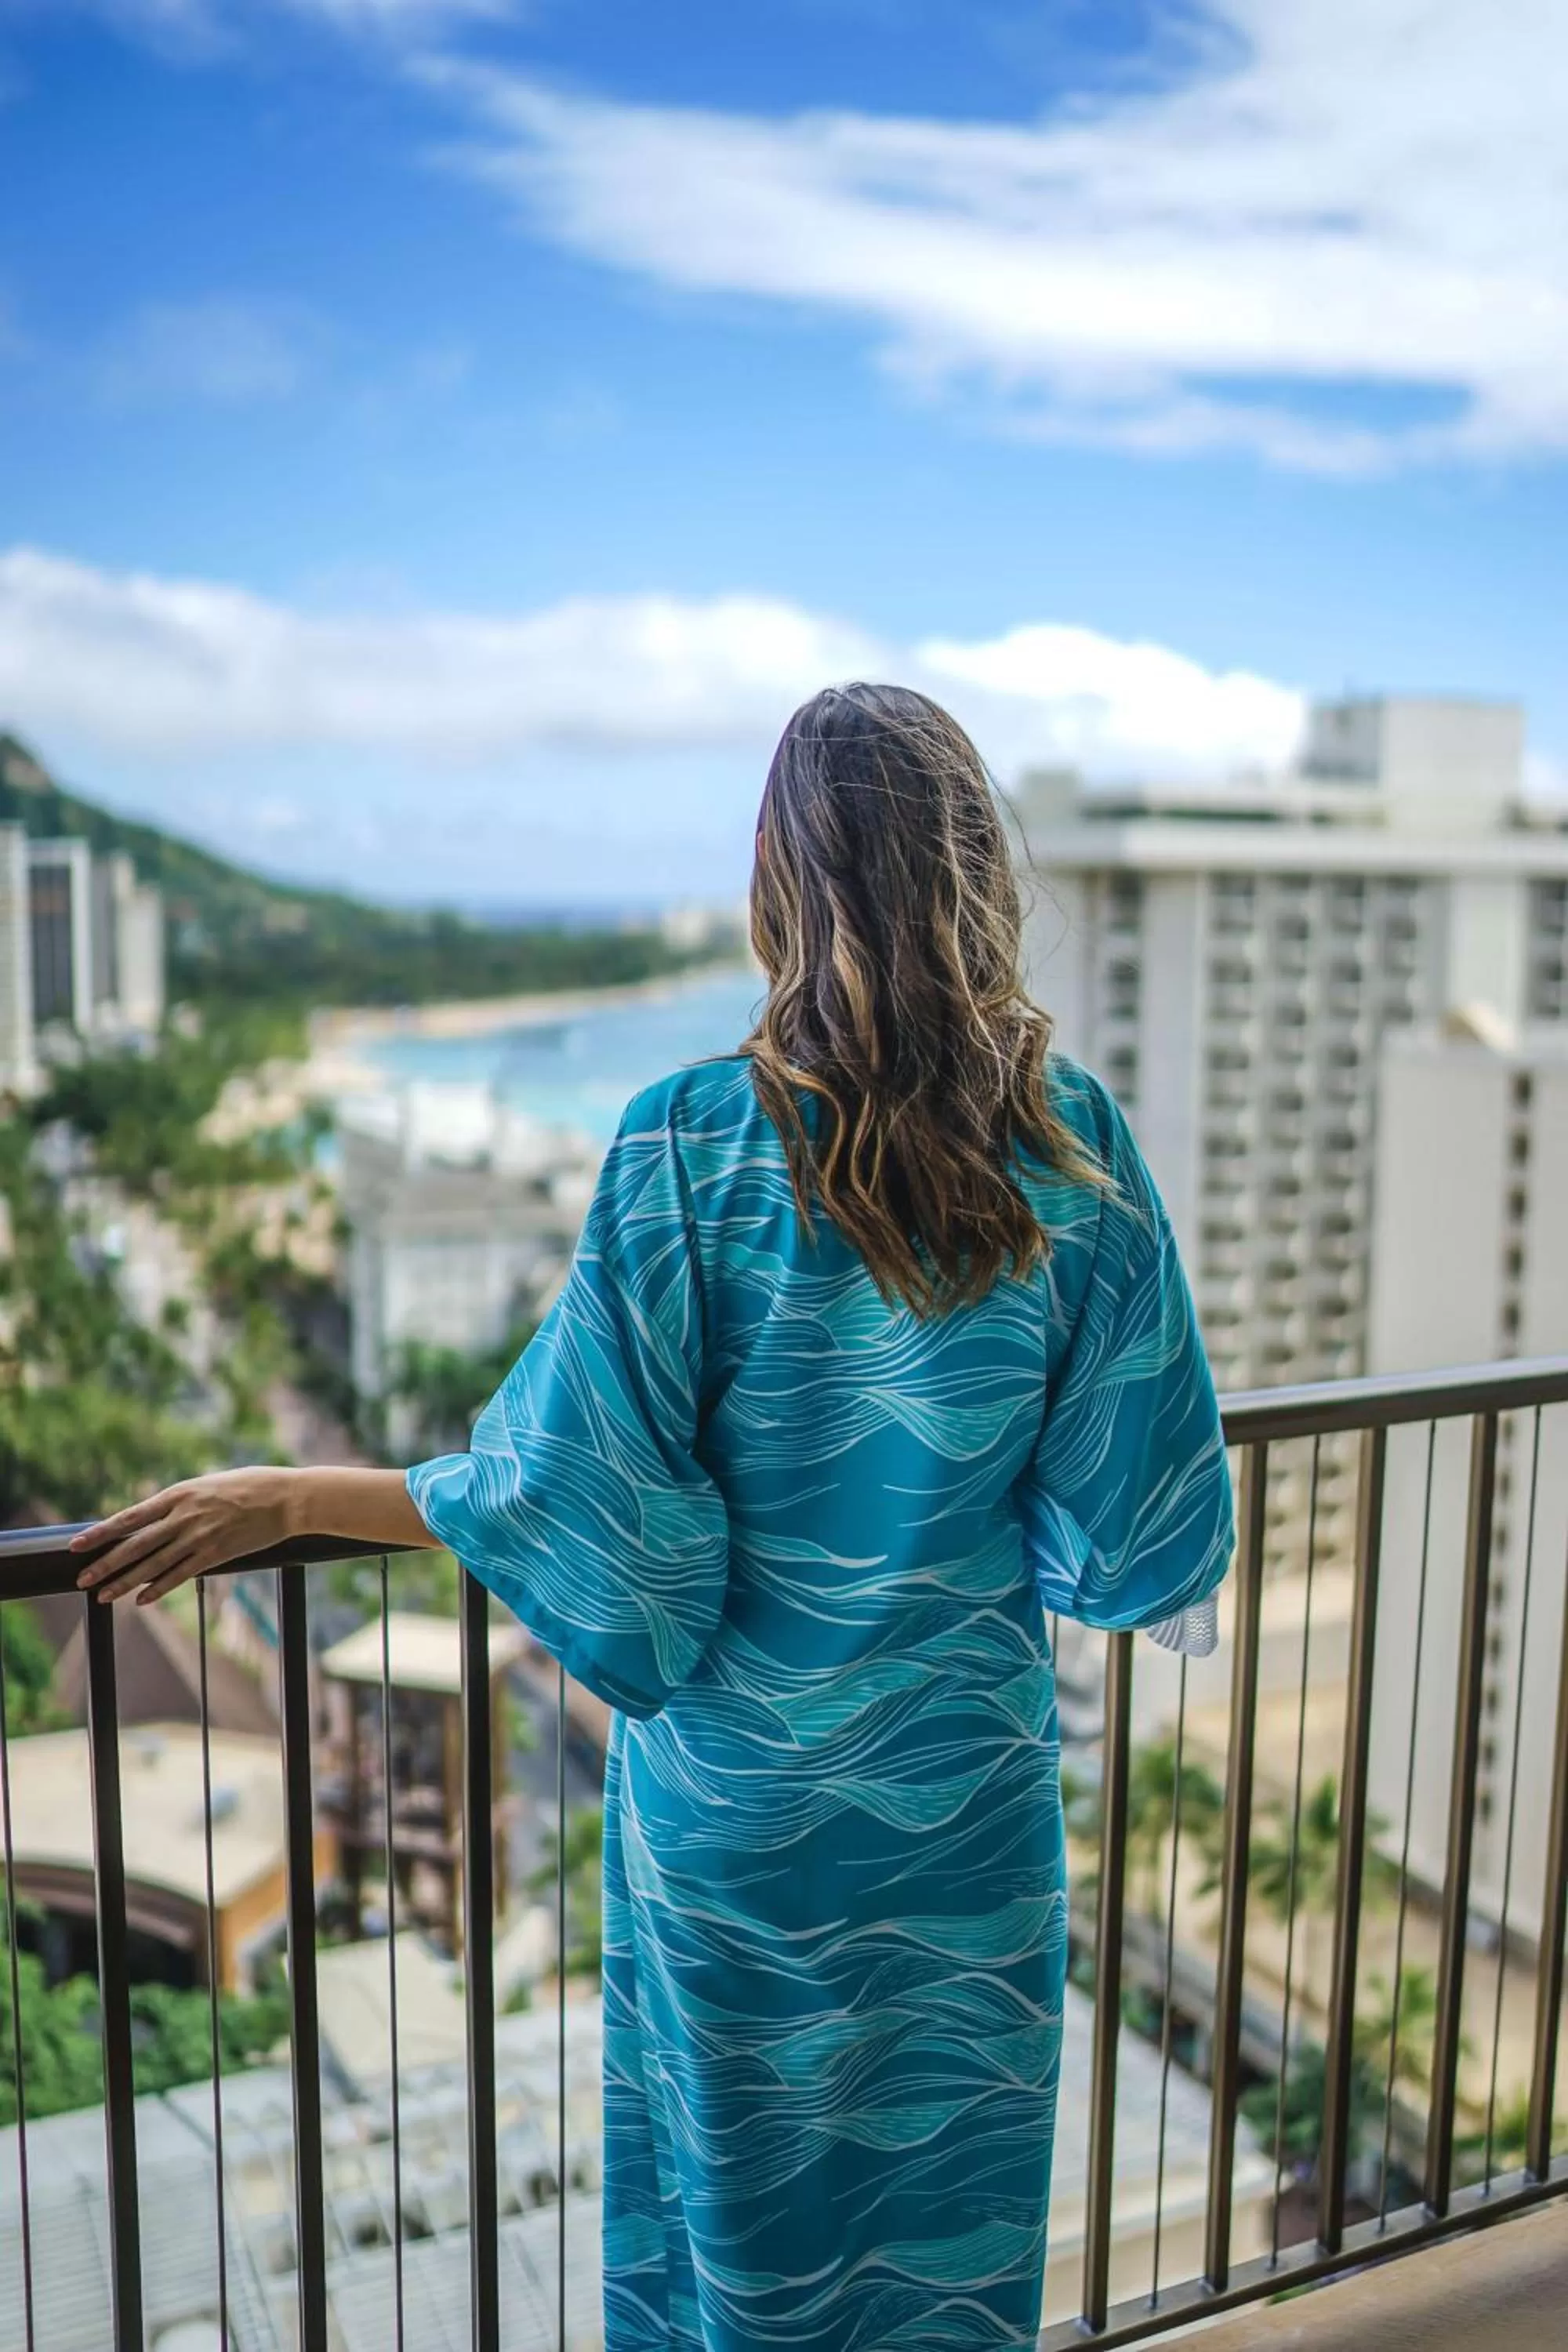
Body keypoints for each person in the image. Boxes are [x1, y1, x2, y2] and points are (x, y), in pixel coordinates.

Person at [74, 684, 1233, 2352]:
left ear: (775, 873)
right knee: (942, 2249)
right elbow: (1135, 1532)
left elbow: (575, 1506)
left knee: (741, 2255)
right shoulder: (1072, 1150)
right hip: (963, 1816)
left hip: (741, 1830)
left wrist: (291, 1498)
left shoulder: (689, 1144)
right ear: (980, 873)